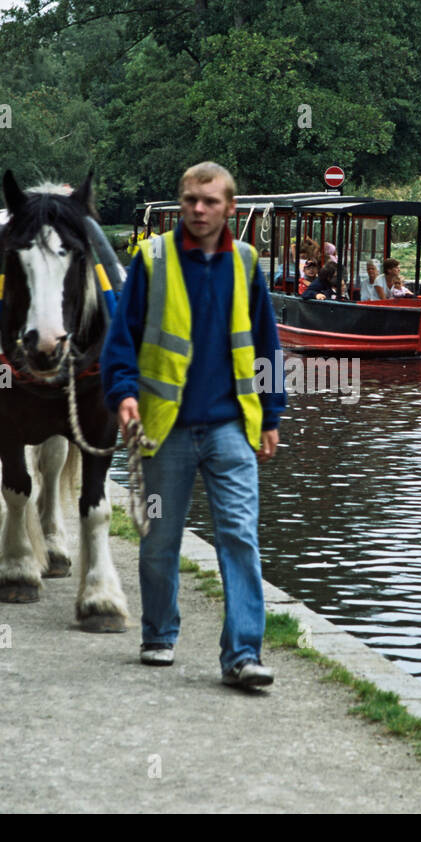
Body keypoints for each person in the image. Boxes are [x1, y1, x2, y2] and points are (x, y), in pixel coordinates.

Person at [102, 161, 286, 690]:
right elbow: (123, 338)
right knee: (160, 539)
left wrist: (271, 415)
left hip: (231, 428)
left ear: (231, 207)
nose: (199, 210)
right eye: (190, 201)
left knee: (240, 538)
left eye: (209, 202)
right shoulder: (152, 259)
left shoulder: (247, 262)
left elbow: (267, 346)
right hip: (167, 428)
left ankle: (242, 655)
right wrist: (124, 394)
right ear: (181, 204)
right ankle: (159, 633)